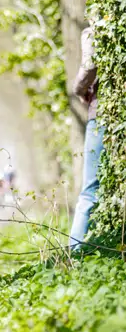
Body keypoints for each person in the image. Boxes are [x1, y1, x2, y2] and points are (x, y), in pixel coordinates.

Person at [69, 24, 105, 250]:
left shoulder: (96, 30)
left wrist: (79, 90)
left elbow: (89, 68)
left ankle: (75, 252)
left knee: (90, 190)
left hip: (102, 117)